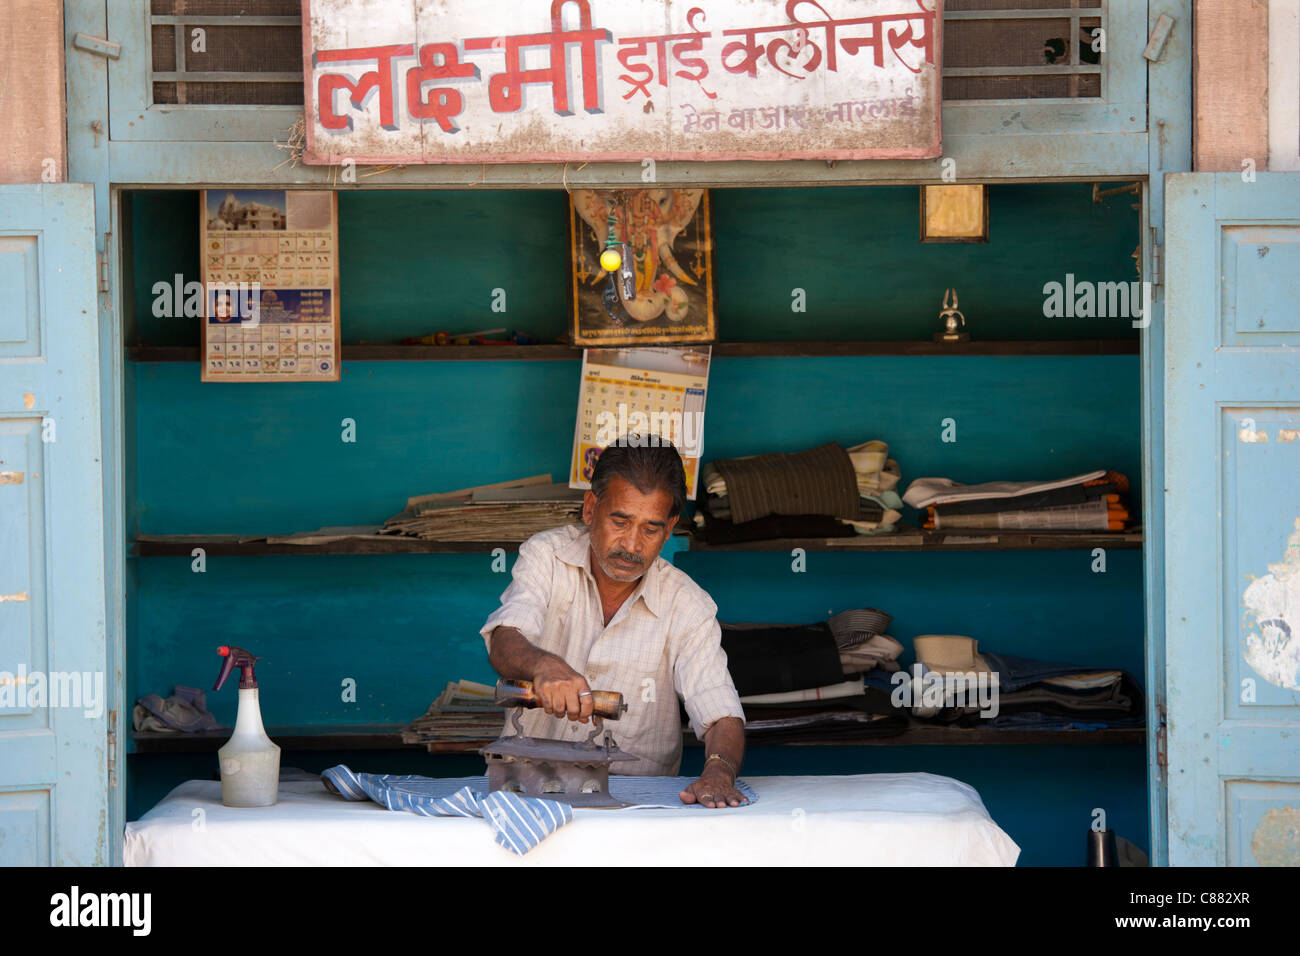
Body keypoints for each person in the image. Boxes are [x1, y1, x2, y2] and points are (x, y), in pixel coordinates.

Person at [480, 436, 748, 808]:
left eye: (651, 529)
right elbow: (506, 636)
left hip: (634, 811)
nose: (633, 545)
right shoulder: (547, 558)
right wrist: (544, 667)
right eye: (620, 521)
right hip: (525, 796)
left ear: (669, 529)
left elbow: (721, 714)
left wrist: (719, 771)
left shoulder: (688, 605)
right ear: (591, 508)